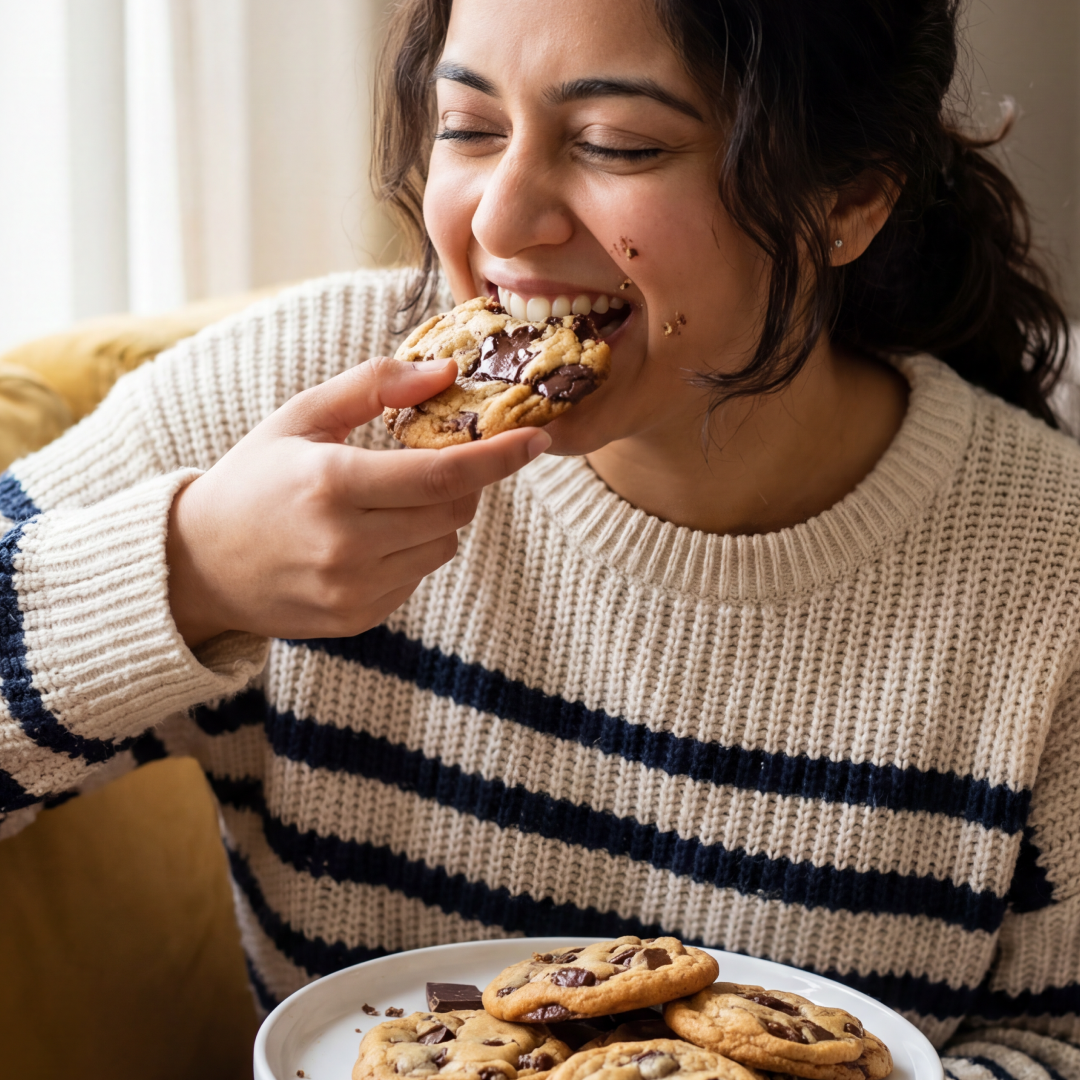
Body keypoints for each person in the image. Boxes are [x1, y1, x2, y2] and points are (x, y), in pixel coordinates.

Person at [1, 0, 1077, 1075]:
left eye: (618, 144)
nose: (503, 221)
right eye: (468, 128)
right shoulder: (299, 404)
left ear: (849, 196)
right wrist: (189, 575)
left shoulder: (1050, 569)